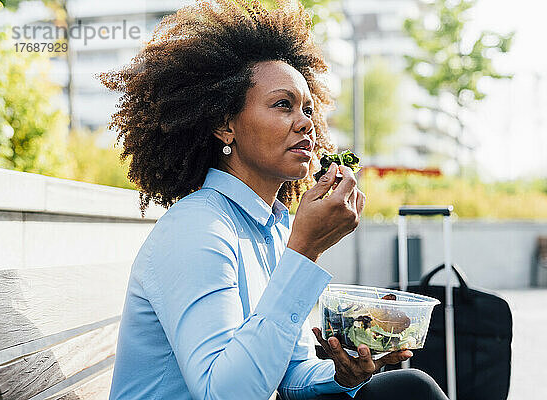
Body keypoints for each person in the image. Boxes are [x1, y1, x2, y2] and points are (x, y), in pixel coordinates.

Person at [100, 1, 448, 399]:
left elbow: (290, 373)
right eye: (283, 105)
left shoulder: (274, 225)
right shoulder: (197, 228)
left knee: (407, 387)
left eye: (307, 109)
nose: (306, 123)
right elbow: (224, 394)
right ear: (223, 125)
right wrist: (305, 250)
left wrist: (343, 374)